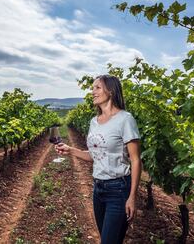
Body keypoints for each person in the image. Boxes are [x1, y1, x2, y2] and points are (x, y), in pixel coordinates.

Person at [55, 75, 141, 244]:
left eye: (97, 88)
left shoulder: (125, 119)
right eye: (93, 88)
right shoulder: (94, 121)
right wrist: (71, 150)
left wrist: (132, 196)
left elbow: (136, 160)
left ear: (110, 91)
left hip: (118, 190)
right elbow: (95, 156)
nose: (92, 92)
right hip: (98, 189)